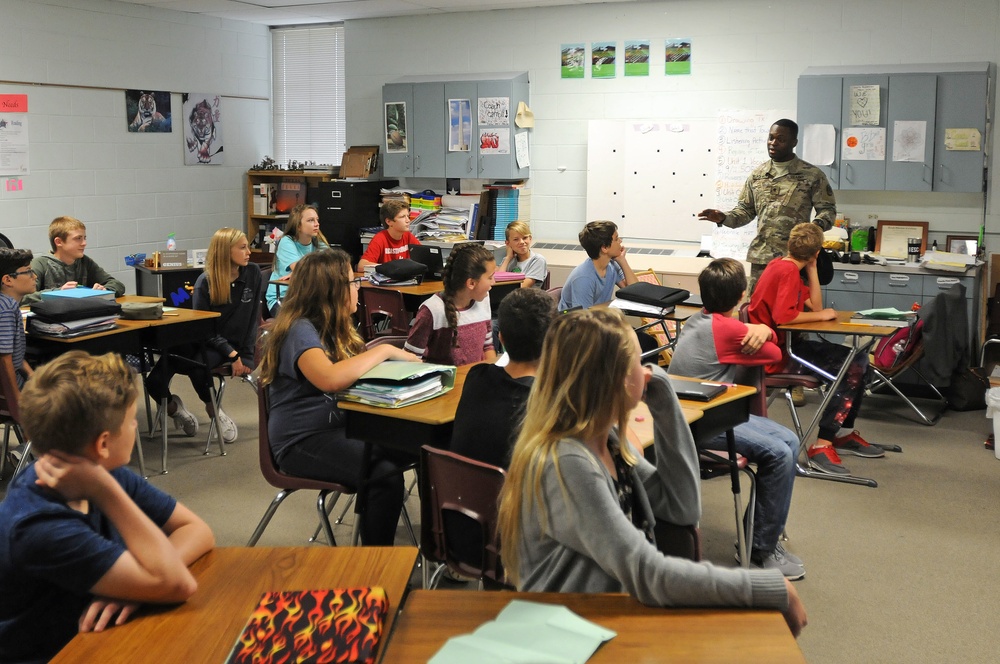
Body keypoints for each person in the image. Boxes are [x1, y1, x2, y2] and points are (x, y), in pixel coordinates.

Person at [496, 308, 806, 637]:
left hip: (603, 620)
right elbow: (648, 572)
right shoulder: (569, 461)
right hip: (566, 635)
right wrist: (768, 587)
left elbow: (683, 507)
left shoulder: (608, 442)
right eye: (639, 361)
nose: (647, 370)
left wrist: (663, 396)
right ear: (613, 377)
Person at [0, 351, 214, 664]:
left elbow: (197, 530)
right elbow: (178, 584)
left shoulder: (101, 472)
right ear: (102, 444)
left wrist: (139, 587)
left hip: (94, 639)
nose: (134, 428)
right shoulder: (39, 525)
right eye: (131, 422)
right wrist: (107, 492)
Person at [257, 248, 417, 545]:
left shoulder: (335, 327)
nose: (358, 287)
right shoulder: (298, 329)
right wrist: (383, 350)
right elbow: (330, 379)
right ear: (331, 290)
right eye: (353, 282)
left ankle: (439, 549)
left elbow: (350, 371)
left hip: (343, 429)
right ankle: (377, 569)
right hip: (301, 440)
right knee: (383, 477)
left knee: (427, 450)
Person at [667, 258, 804, 579]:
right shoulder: (728, 329)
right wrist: (764, 329)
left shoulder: (696, 319)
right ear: (743, 295)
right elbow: (774, 356)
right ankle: (760, 550)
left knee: (790, 440)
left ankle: (760, 534)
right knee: (780, 454)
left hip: (703, 412)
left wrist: (757, 329)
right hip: (699, 422)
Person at [748, 222, 886, 476]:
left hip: (786, 347)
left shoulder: (783, 265)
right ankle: (823, 443)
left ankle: (841, 434)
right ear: (817, 250)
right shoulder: (787, 271)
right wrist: (822, 317)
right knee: (853, 366)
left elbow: (815, 304)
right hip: (778, 356)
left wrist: (812, 268)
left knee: (857, 359)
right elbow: (783, 318)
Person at [145, 228, 262, 443]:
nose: (249, 252)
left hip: (223, 346)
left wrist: (242, 355)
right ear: (226, 252)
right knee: (154, 381)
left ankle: (215, 412)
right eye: (243, 247)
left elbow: (254, 318)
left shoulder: (253, 273)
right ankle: (176, 410)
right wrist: (232, 354)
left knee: (198, 367)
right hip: (204, 339)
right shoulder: (205, 282)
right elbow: (205, 329)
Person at [697, 119, 837, 294]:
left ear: (794, 142)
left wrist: (812, 229)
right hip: (762, 259)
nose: (773, 143)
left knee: (794, 314)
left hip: (796, 260)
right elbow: (745, 211)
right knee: (757, 313)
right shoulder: (758, 175)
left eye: (781, 139)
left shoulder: (812, 175)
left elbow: (828, 210)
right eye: (771, 138)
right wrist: (724, 217)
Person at [451, 288, 556, 468]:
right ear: (553, 342)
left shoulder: (476, 377)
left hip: (459, 493)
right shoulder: (547, 403)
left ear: (501, 338)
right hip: (513, 495)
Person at [405, 242, 497, 366]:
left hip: (474, 380)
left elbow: (487, 345)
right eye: (490, 277)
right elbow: (410, 359)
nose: (494, 282)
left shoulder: (483, 299)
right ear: (471, 283)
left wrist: (492, 373)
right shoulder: (432, 310)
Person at [23, 216, 126, 305]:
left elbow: (117, 284)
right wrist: (58, 293)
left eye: (85, 238)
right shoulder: (40, 264)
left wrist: (105, 290)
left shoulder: (85, 261)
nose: (84, 243)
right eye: (78, 238)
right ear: (59, 242)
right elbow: (22, 298)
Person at [265, 203, 329, 317]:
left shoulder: (317, 241)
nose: (317, 224)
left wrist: (299, 273)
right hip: (283, 298)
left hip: (306, 296)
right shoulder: (286, 241)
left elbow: (333, 266)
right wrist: (299, 272)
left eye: (317, 220)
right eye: (310, 220)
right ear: (298, 226)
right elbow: (301, 269)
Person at [558, 220, 638, 311]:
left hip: (596, 319)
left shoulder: (612, 265)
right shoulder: (584, 278)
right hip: (574, 322)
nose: (620, 241)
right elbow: (584, 319)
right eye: (616, 239)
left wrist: (622, 260)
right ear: (604, 248)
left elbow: (635, 293)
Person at [0, 248, 36, 391]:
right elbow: (4, 360)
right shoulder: (6, 309)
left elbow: (16, 356)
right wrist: (17, 407)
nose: (35, 276)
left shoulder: (8, 304)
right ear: (8, 279)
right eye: (28, 272)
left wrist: (34, 378)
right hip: (11, 392)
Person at [357, 200, 421, 271]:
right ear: (389, 222)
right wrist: (390, 267)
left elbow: (423, 256)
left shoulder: (408, 235)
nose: (408, 220)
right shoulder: (380, 239)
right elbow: (361, 266)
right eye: (402, 217)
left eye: (408, 216)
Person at [498, 221, 547, 288]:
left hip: (524, 297)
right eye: (516, 239)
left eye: (524, 238)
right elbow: (497, 282)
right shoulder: (508, 260)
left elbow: (522, 287)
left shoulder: (537, 260)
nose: (521, 242)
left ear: (530, 238)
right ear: (508, 243)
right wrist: (508, 258)